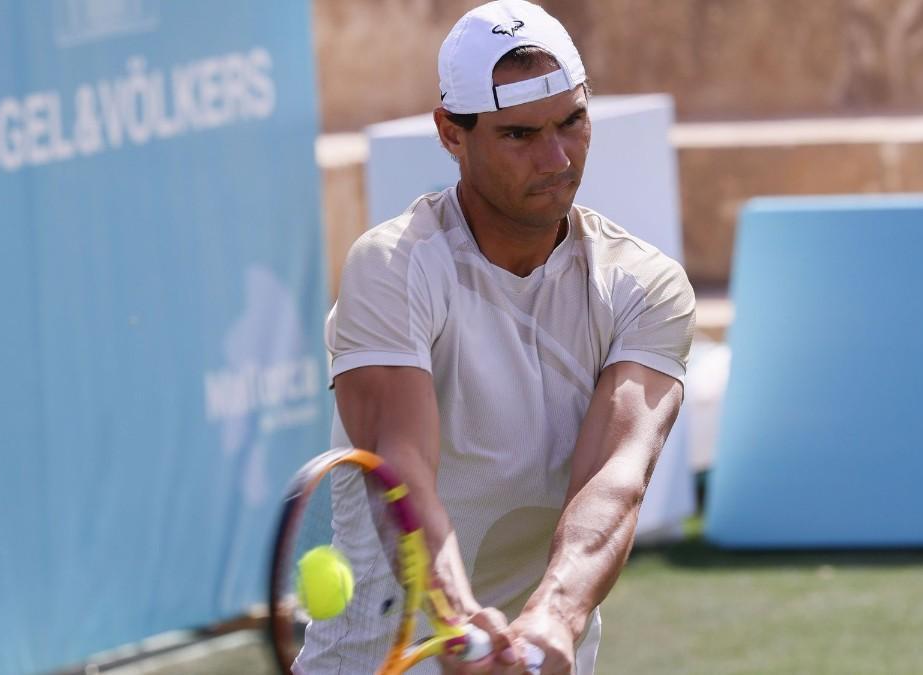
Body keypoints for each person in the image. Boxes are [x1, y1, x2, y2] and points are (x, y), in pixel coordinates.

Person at [295, 1, 695, 673]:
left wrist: (556, 615)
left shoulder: (645, 287)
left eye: (573, 121)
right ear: (452, 133)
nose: (558, 157)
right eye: (519, 135)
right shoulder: (392, 266)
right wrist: (454, 616)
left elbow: (614, 479)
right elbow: (403, 470)